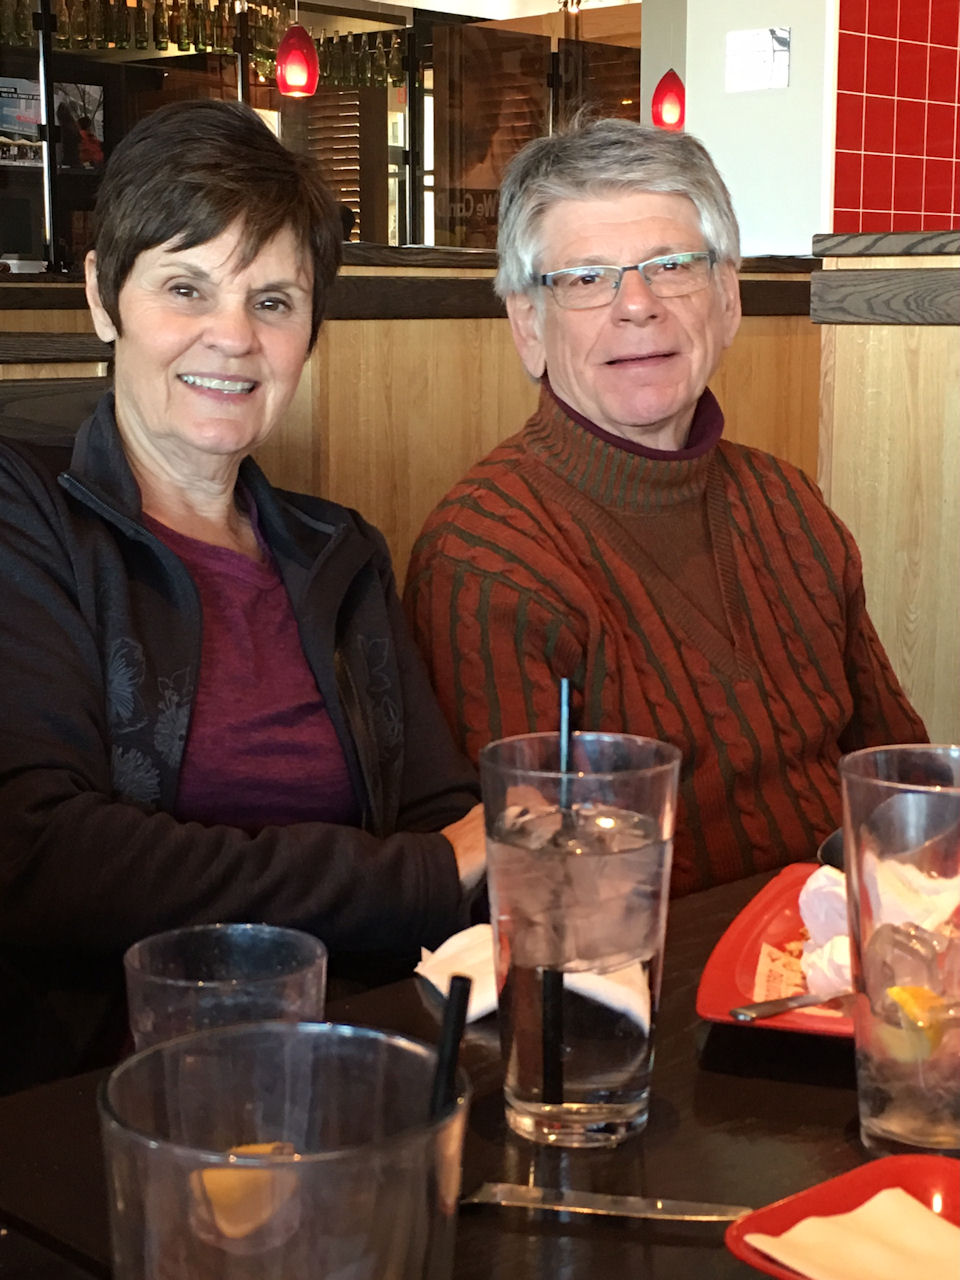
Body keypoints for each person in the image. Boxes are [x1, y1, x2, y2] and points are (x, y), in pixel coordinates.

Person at [0, 100, 484, 1090]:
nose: (232, 337)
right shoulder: (26, 515)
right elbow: (47, 857)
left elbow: (443, 814)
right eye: (186, 287)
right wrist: (421, 876)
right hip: (110, 1089)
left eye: (273, 301)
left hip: (362, 1060)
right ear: (103, 298)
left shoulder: (339, 550)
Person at [404, 117, 926, 897]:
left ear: (727, 298)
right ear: (527, 325)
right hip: (653, 962)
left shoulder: (789, 502)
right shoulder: (487, 555)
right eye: (587, 278)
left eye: (672, 266)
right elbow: (540, 890)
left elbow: (902, 787)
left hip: (851, 934)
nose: (637, 305)